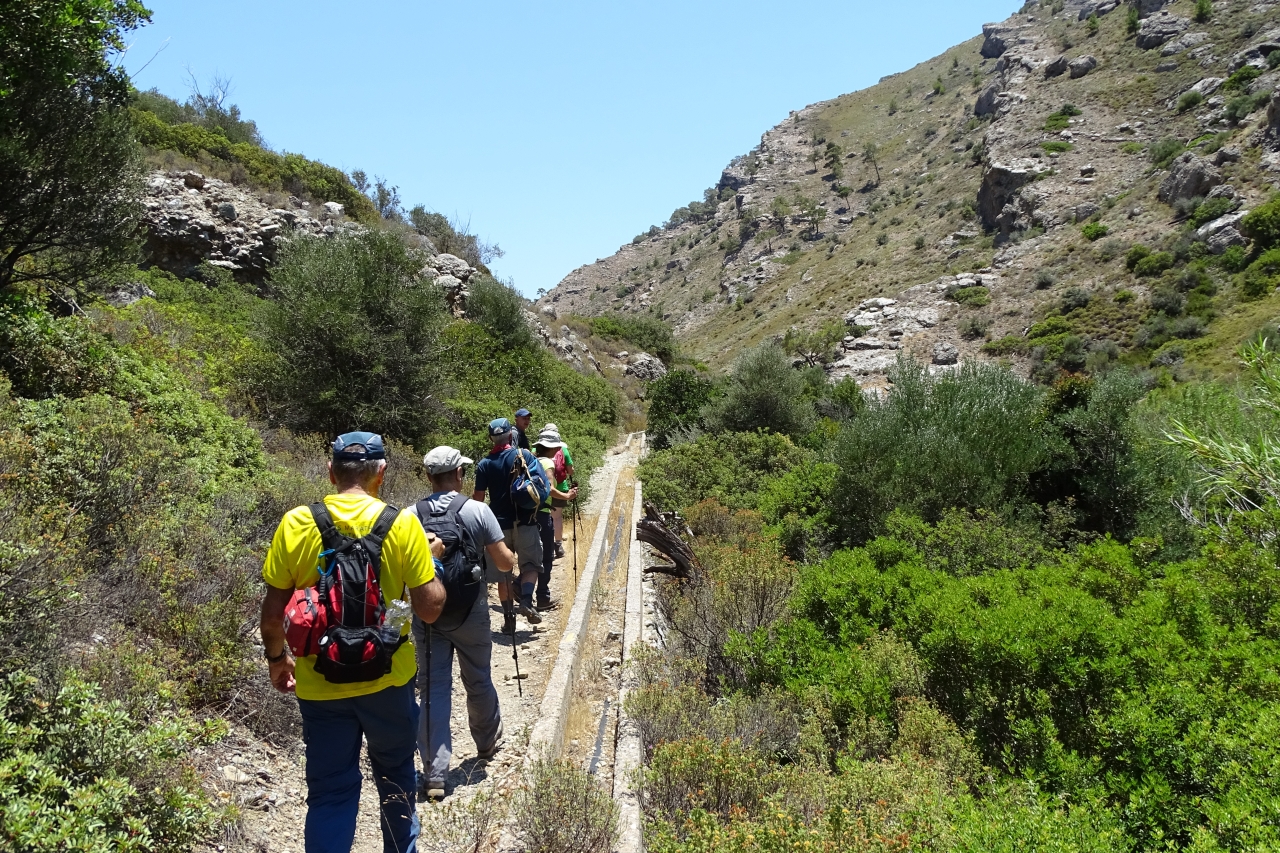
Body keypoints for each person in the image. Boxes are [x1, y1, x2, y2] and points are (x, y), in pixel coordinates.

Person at [259, 432, 445, 853]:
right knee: (396, 778)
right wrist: (431, 561)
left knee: (330, 792)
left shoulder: (296, 522)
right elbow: (431, 609)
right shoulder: (402, 523)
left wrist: (277, 660)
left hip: (319, 683)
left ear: (331, 472)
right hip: (389, 679)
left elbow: (272, 615)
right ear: (382, 471)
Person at [408, 446, 518, 800]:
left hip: (428, 614)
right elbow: (503, 564)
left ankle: (435, 775)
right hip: (471, 611)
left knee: (434, 688)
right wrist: (512, 557)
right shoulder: (477, 510)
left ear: (428, 477)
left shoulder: (410, 515)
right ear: (459, 475)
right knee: (478, 677)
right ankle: (486, 745)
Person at [472, 418, 549, 634]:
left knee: (504, 573)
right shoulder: (523, 455)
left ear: (491, 438)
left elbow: (478, 500)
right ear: (510, 436)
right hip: (526, 522)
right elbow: (542, 484)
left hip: (498, 528)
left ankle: (509, 620)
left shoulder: (484, 464)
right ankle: (526, 599)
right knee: (531, 565)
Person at [533, 428, 578, 610]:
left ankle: (523, 587)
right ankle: (542, 597)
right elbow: (550, 488)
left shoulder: (531, 459)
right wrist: (567, 496)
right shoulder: (548, 464)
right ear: (552, 448)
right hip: (543, 512)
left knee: (532, 553)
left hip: (527, 512)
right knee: (546, 556)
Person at [538, 422, 575, 560]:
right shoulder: (563, 450)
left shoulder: (536, 452)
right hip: (560, 488)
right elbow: (570, 471)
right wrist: (567, 495)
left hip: (540, 493)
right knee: (557, 517)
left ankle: (541, 547)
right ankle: (558, 545)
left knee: (542, 519)